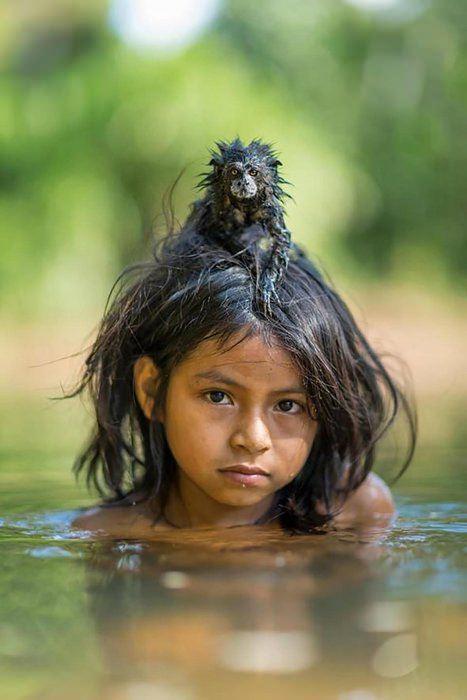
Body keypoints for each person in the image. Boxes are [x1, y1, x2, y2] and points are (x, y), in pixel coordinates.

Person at [70, 222, 416, 536]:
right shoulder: (109, 534)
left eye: (287, 405)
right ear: (152, 390)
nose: (252, 439)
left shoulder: (354, 513)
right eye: (218, 396)